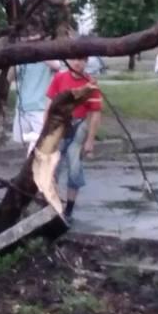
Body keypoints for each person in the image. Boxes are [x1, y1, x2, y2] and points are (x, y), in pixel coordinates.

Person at [45, 57, 102, 223]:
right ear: (69, 60)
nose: (78, 63)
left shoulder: (90, 84)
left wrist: (90, 140)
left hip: (79, 127)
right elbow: (49, 104)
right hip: (59, 126)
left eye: (82, 60)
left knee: (74, 170)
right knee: (52, 169)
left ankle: (69, 209)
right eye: (75, 59)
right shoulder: (59, 78)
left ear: (86, 62)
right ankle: (53, 207)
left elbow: (96, 113)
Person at [11, 50, 60, 152]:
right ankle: (30, 166)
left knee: (39, 146)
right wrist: (15, 61)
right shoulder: (22, 57)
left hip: (40, 108)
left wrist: (37, 53)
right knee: (24, 143)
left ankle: (32, 167)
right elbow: (9, 78)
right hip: (22, 108)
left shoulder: (47, 55)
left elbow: (57, 66)